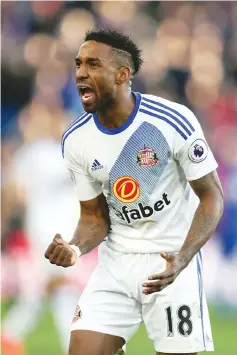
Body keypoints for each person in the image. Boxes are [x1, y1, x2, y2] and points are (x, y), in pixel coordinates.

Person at [45, 29, 224, 355]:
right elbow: (94, 218)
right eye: (78, 64)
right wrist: (74, 247)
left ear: (123, 74)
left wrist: (183, 258)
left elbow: (212, 197)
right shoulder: (76, 140)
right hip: (115, 267)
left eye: (93, 64)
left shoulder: (172, 121)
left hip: (171, 265)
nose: (81, 73)